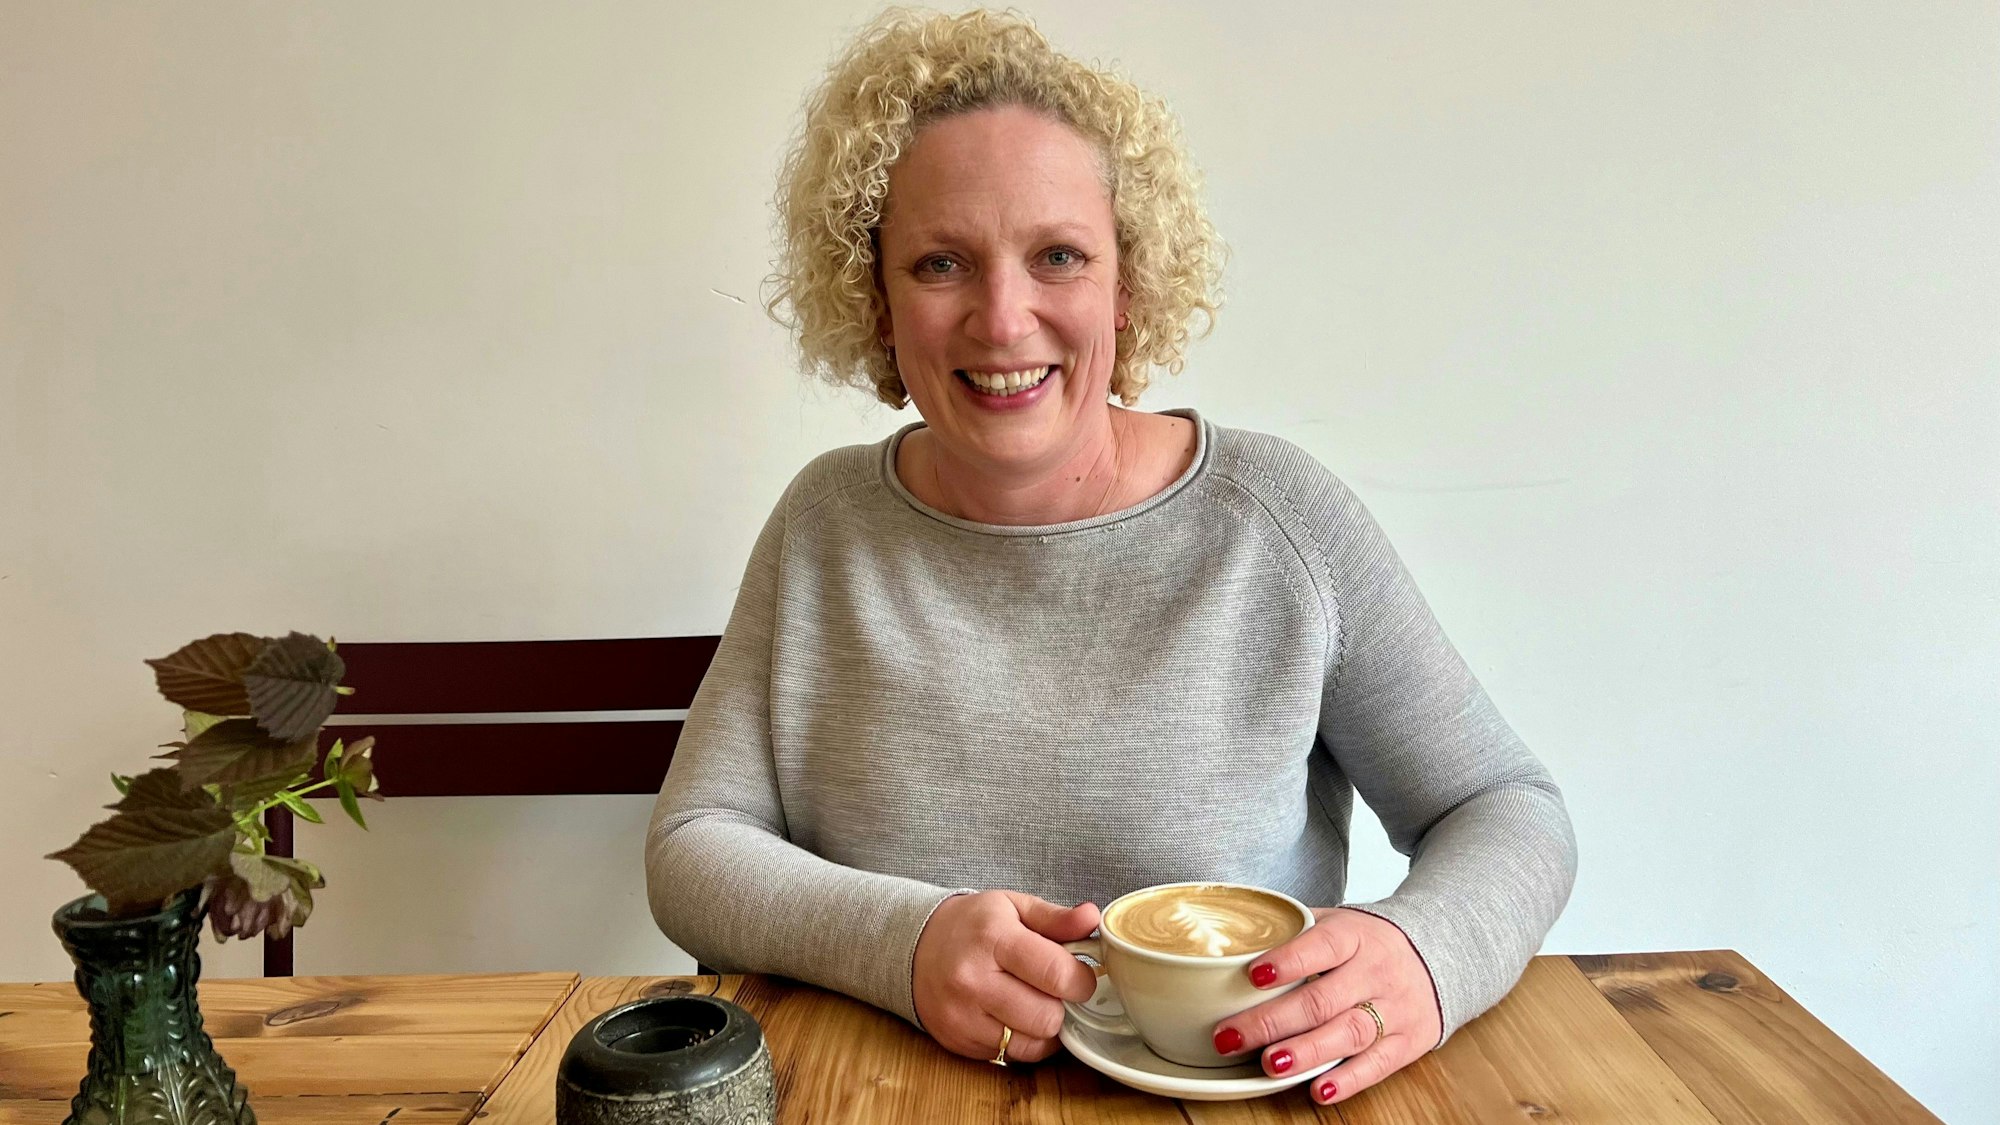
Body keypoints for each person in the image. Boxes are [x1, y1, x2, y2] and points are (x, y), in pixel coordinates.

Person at [647, 7, 1577, 1108]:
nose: (1002, 319)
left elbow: (1504, 805)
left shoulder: (1280, 523)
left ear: (1126, 287)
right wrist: (901, 942)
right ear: (876, 300)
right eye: (940, 261)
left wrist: (1423, 954)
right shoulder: (823, 529)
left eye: (1058, 256)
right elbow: (692, 849)